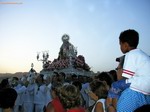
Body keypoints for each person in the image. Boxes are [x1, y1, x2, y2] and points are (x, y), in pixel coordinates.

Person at [116, 29, 150, 111]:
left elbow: (123, 79)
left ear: (125, 45)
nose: (120, 47)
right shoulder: (144, 55)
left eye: (120, 44)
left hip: (134, 92)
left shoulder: (131, 55)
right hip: (147, 93)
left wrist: (120, 66)